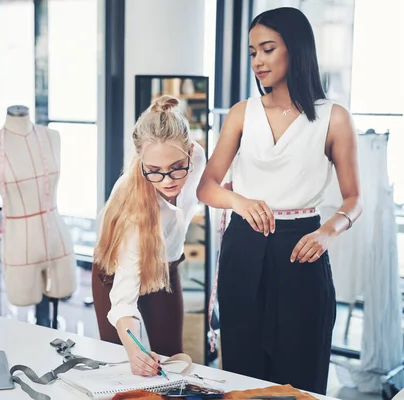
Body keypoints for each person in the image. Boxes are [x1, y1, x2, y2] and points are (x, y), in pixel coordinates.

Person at [197, 7, 362, 395]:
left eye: (267, 49)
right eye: (253, 51)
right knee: (242, 371)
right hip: (244, 246)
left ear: (297, 49)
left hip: (302, 250)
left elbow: (354, 199)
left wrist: (326, 233)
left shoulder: (333, 118)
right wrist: (238, 201)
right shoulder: (241, 114)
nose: (257, 61)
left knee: (301, 373)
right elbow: (207, 186)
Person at [92, 95, 206, 377]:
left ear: (190, 151)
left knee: (173, 358)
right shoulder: (136, 211)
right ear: (141, 161)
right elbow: (123, 300)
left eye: (177, 167)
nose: (167, 181)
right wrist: (134, 349)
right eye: (154, 172)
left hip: (167, 264)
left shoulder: (199, 157)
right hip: (114, 272)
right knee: (123, 366)